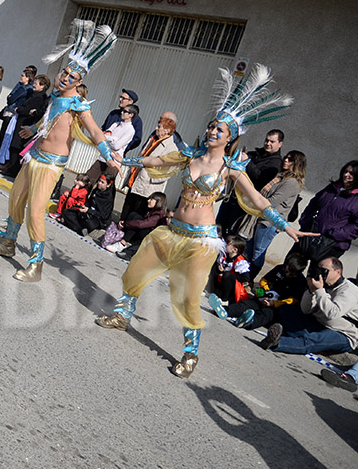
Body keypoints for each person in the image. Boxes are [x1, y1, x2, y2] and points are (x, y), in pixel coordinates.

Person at [97, 64, 313, 377]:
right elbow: (156, 160)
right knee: (135, 271)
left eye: (220, 130)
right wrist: (123, 159)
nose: (212, 131)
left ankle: (190, 353)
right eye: (212, 126)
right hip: (172, 231)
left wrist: (285, 226)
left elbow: (257, 200)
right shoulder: (190, 155)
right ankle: (122, 314)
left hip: (200, 241)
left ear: (230, 137)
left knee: (185, 296)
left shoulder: (231, 168)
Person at [0, 19, 122, 283]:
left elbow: (93, 130)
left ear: (79, 82)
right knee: (15, 199)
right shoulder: (56, 98)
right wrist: (33, 129)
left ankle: (36, 265)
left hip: (51, 165)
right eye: (64, 72)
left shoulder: (78, 104)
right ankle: (9, 242)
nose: (65, 77)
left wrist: (107, 150)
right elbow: (49, 120)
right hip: (34, 157)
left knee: (35, 211)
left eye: (71, 76)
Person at [260, 257, 358, 355]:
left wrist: (319, 291)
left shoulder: (348, 291)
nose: (320, 273)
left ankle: (276, 343)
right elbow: (306, 310)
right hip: (319, 324)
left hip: (343, 333)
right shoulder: (323, 284)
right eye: (318, 269)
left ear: (338, 272)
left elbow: (332, 313)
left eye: (324, 270)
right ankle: (305, 342)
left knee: (314, 340)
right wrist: (311, 291)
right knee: (286, 309)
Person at [235, 150, 306, 274]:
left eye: (290, 160)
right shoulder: (280, 177)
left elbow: (272, 201)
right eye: (286, 157)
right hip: (260, 216)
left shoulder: (292, 182)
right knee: (249, 248)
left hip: (270, 222)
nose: (286, 160)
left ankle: (250, 277)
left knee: (258, 251)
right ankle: (243, 275)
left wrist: (254, 200)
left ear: (297, 164)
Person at [216, 251, 308, 329]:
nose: (287, 275)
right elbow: (264, 280)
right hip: (264, 297)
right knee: (246, 304)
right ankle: (225, 311)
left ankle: (248, 322)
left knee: (266, 315)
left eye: (291, 274)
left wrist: (274, 303)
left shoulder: (300, 281)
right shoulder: (279, 268)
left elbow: (293, 300)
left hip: (276, 307)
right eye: (287, 271)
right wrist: (262, 293)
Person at [217, 129, 285, 234]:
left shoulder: (276, 163)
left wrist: (247, 161)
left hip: (245, 202)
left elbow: (260, 178)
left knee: (230, 233)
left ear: (280, 144)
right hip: (232, 196)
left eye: (272, 141)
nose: (268, 143)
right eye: (266, 140)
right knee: (218, 227)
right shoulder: (256, 154)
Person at [292, 159, 358, 263]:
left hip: (331, 245)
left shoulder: (356, 199)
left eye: (351, 173)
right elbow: (314, 203)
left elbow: (355, 226)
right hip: (310, 234)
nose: (346, 175)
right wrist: (306, 221)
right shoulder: (332, 188)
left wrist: (334, 234)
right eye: (346, 171)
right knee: (291, 265)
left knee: (316, 276)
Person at [121, 114, 179, 219]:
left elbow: (168, 172)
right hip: (135, 181)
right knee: (125, 214)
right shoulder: (153, 139)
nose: (156, 128)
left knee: (136, 216)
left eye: (159, 126)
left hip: (146, 189)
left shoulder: (172, 149)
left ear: (167, 130)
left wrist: (150, 178)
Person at [0, 74, 49, 178]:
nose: (34, 85)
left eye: (36, 83)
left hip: (25, 124)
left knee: (17, 146)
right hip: (20, 122)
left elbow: (30, 111)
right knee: (13, 145)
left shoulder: (39, 98)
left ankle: (13, 170)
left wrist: (20, 110)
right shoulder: (33, 94)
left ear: (43, 86)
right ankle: (10, 167)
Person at [104, 192, 167, 258]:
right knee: (133, 215)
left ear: (158, 202)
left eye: (151, 199)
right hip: (145, 236)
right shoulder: (152, 211)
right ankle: (121, 239)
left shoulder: (158, 215)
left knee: (137, 221)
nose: (148, 200)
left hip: (151, 241)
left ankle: (122, 243)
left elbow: (141, 224)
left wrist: (125, 224)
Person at [86, 102, 137, 185]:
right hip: (102, 157)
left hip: (114, 162)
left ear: (131, 115)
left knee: (103, 186)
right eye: (122, 110)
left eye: (125, 111)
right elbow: (103, 137)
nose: (122, 112)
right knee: (88, 180)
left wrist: (108, 140)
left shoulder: (130, 130)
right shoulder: (115, 124)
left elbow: (117, 146)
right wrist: (113, 139)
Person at [206, 235, 251, 306]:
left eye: (228, 244)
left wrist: (227, 275)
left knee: (227, 275)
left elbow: (246, 278)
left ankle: (225, 300)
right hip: (222, 283)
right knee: (215, 268)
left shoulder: (240, 261)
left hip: (233, 288)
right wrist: (221, 271)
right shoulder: (225, 256)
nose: (225, 245)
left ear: (235, 250)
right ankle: (209, 290)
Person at [100, 89, 143, 154]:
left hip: (116, 155)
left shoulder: (136, 121)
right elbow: (104, 129)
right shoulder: (113, 113)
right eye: (120, 97)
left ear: (130, 101)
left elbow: (136, 139)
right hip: (103, 151)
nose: (120, 99)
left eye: (123, 98)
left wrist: (123, 147)